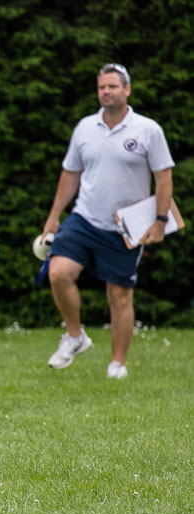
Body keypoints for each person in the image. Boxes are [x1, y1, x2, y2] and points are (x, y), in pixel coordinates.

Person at [41, 63, 174, 379]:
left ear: (127, 90)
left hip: (126, 226)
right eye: (102, 87)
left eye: (112, 86)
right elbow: (71, 174)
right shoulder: (85, 127)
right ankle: (75, 336)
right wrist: (54, 216)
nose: (106, 92)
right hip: (84, 218)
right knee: (58, 272)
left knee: (119, 295)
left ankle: (117, 363)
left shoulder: (148, 129)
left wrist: (159, 221)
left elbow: (164, 176)